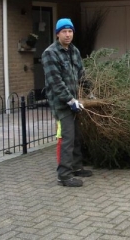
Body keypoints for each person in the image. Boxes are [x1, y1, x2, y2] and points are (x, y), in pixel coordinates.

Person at [42, 18, 92, 187]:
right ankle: (64, 175)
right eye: (64, 31)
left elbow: (81, 74)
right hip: (61, 104)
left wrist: (89, 91)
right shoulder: (50, 53)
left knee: (77, 135)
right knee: (67, 138)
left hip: (75, 101)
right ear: (57, 34)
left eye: (70, 31)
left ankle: (77, 167)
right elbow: (55, 82)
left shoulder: (74, 51)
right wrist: (70, 100)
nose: (68, 34)